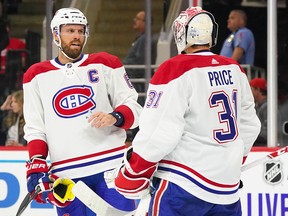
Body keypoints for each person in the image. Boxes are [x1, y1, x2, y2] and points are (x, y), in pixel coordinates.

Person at [113, 6, 261, 216]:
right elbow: (250, 126)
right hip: (227, 191)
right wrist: (233, 162)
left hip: (183, 185)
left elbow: (160, 133)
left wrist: (134, 172)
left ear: (182, 34)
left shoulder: (175, 69)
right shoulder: (234, 69)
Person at [23, 8, 142, 216]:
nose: (76, 36)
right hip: (67, 177)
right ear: (56, 35)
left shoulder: (106, 63)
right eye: (70, 30)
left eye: (80, 31)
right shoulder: (36, 76)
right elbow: (35, 129)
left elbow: (135, 109)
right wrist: (37, 163)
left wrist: (114, 117)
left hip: (112, 168)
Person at [249, 78, 267, 146]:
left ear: (258, 89)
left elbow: (267, 133)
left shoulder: (267, 107)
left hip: (265, 144)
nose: (249, 92)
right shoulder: (258, 105)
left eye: (251, 89)